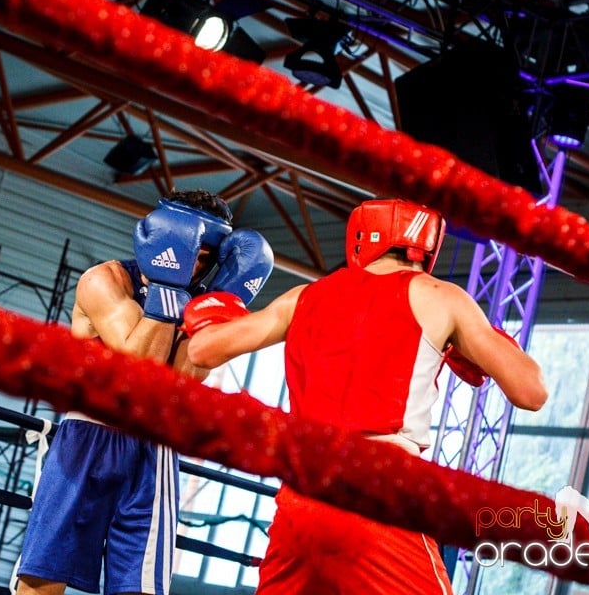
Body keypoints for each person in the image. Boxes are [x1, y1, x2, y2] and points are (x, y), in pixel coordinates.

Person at [184, 198, 548, 595]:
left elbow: (203, 350)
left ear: (360, 238)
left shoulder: (302, 297)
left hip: (302, 496)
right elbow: (531, 392)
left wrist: (221, 297)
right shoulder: (441, 297)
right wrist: (484, 341)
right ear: (428, 247)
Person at [15, 189, 274, 595]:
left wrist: (222, 302)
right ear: (161, 235)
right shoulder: (105, 281)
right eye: (190, 250)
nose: (194, 266)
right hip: (88, 437)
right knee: (43, 577)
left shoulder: (206, 303)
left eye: (206, 258)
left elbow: (184, 379)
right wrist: (168, 294)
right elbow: (140, 369)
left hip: (154, 449)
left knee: (140, 586)